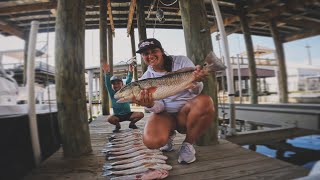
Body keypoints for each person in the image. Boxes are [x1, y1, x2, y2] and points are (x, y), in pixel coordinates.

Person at [133, 38, 215, 164]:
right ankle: (168, 136)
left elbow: (196, 91)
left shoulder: (181, 61)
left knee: (206, 101)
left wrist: (197, 80)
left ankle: (187, 144)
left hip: (187, 113)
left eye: (154, 51)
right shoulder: (145, 79)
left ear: (162, 51)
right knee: (151, 141)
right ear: (142, 57)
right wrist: (150, 104)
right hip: (165, 115)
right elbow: (159, 108)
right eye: (145, 54)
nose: (150, 56)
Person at [102, 62, 144, 133]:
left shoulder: (125, 91)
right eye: (114, 84)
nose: (116, 85)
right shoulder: (112, 94)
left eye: (118, 83)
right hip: (118, 116)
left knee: (141, 114)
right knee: (109, 119)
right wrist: (107, 73)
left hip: (128, 114)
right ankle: (117, 125)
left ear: (122, 84)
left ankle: (132, 124)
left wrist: (130, 71)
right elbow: (107, 84)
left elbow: (128, 81)